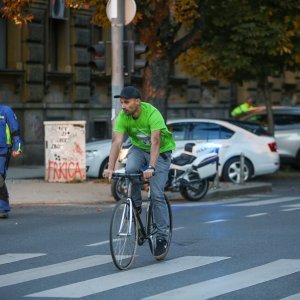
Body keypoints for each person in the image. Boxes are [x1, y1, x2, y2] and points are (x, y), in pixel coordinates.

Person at [104, 86, 176, 260]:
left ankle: (162, 238)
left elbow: (156, 141)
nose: (123, 106)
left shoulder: (152, 114)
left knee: (157, 194)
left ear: (137, 101)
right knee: (130, 171)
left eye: (126, 102)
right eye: (121, 102)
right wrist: (111, 167)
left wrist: (151, 167)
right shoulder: (123, 117)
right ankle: (135, 207)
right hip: (138, 149)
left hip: (160, 152)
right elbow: (116, 142)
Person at [0, 105, 23, 218]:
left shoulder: (5, 111)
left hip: (2, 150)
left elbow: (15, 130)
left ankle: (2, 207)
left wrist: (17, 146)